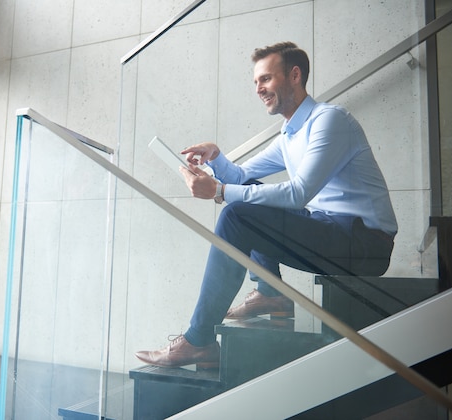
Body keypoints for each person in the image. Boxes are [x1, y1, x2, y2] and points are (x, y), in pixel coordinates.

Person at [135, 41, 397, 369]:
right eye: (256, 81)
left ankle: (198, 340)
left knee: (236, 213)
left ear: (295, 75)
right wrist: (215, 158)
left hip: (365, 243)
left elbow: (298, 194)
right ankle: (270, 292)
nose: (259, 88)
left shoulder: (329, 121)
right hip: (333, 228)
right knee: (242, 198)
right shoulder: (290, 134)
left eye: (266, 79)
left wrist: (219, 191)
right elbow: (243, 176)